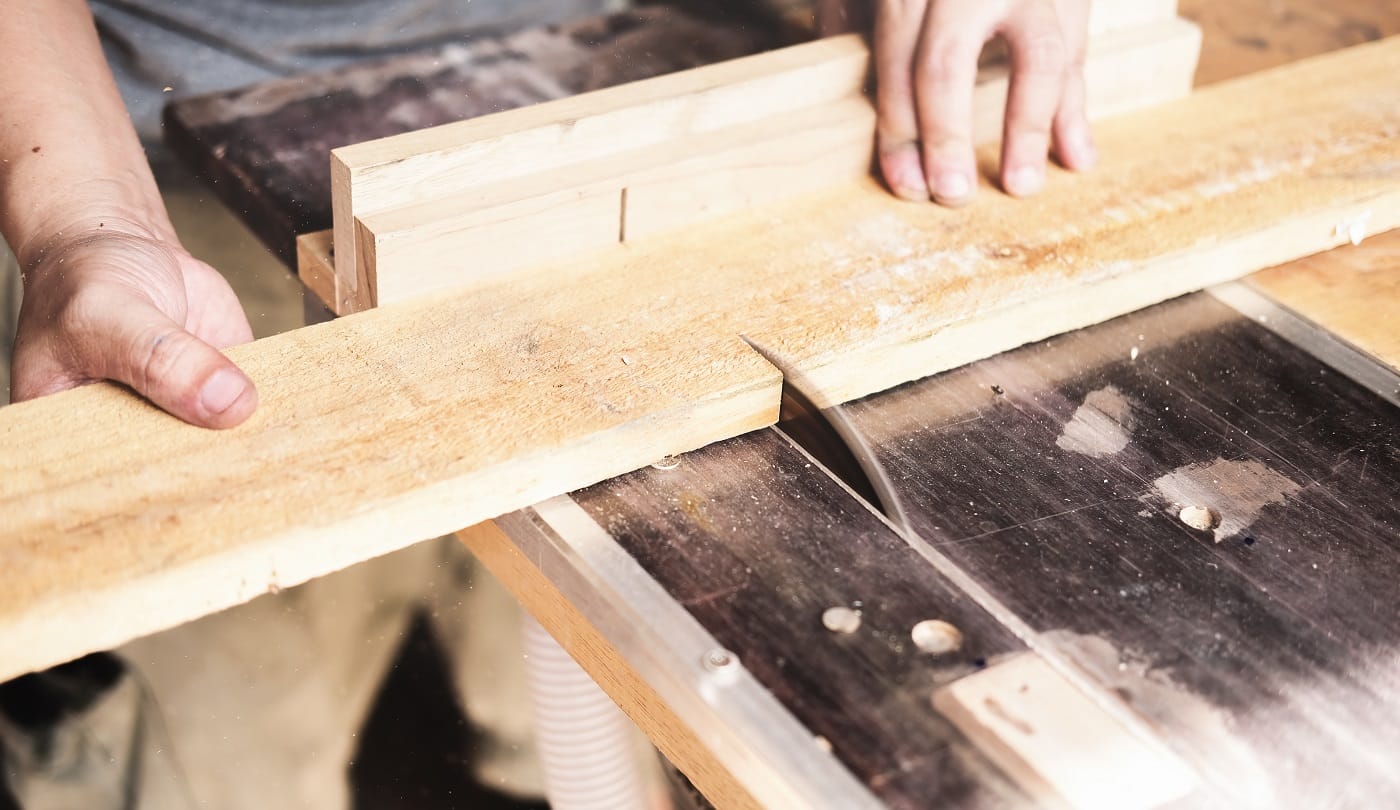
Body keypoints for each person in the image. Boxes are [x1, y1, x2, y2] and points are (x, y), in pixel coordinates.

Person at [0, 1, 1094, 807]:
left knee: (631, 716)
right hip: (148, 163)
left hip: (664, 93)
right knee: (219, 764)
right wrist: (89, 220)